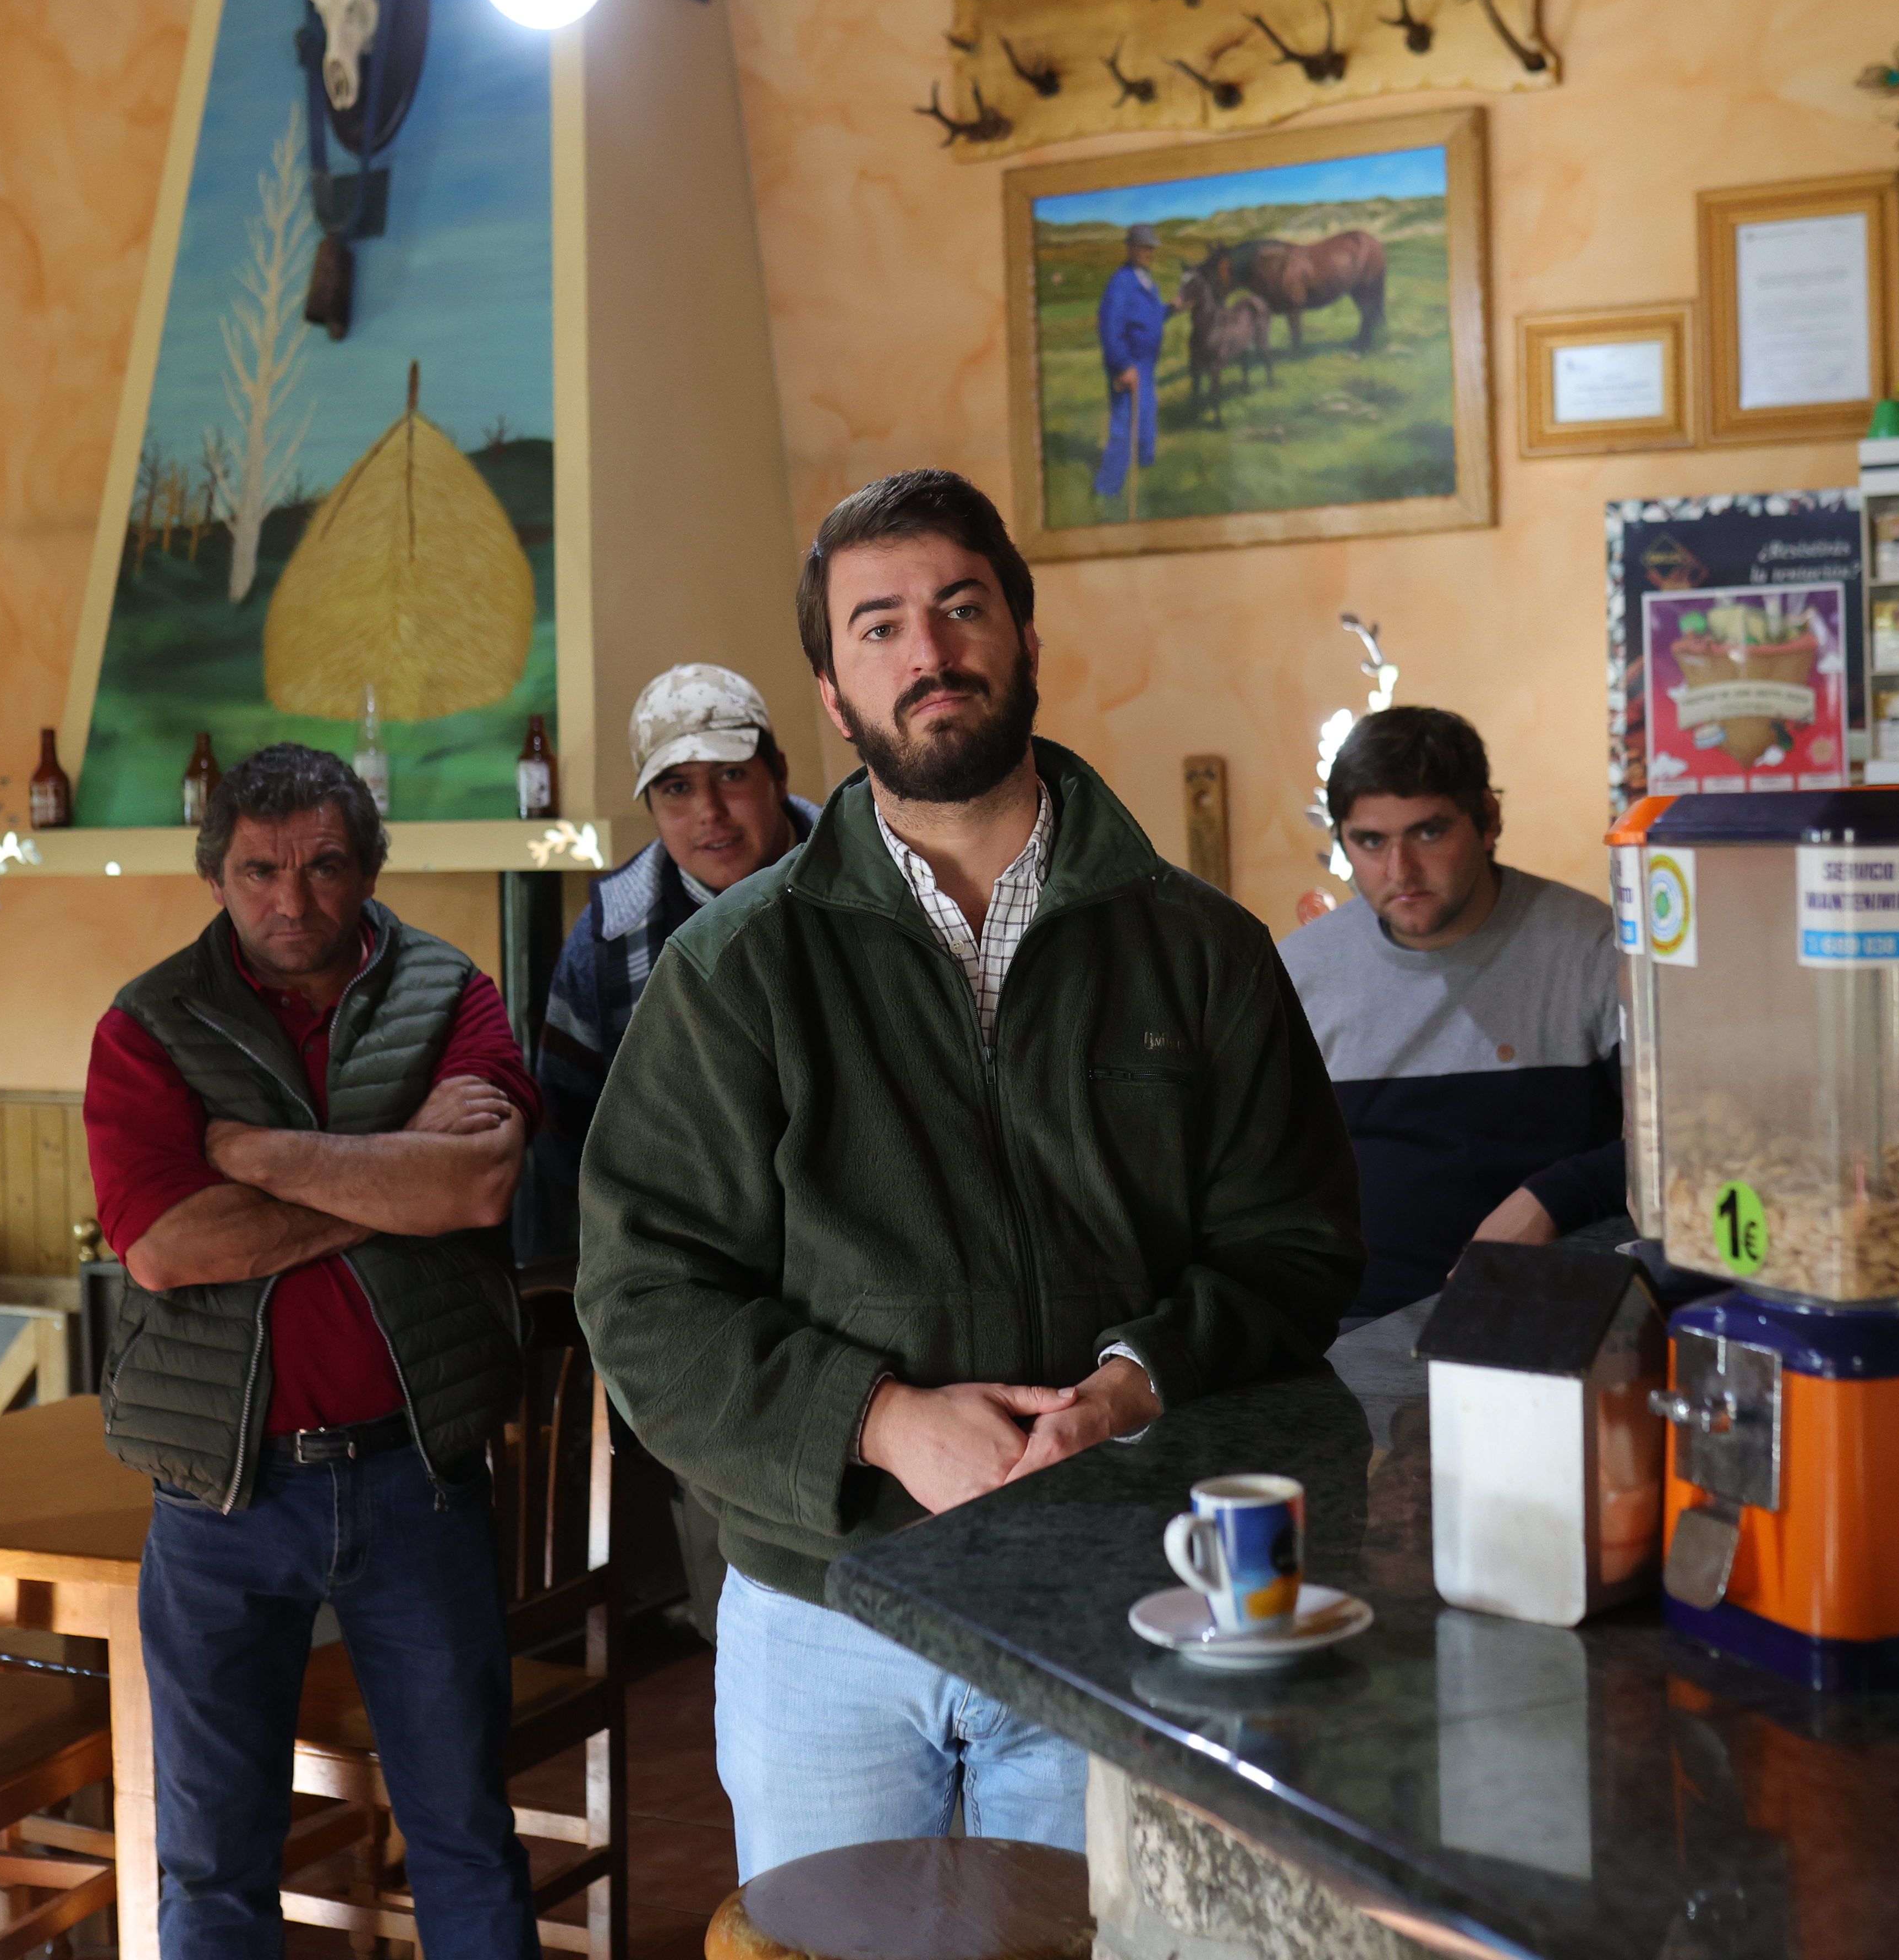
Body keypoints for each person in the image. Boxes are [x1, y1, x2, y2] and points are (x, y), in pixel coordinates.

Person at [575, 469, 1360, 1878]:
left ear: (1028, 639)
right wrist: (879, 1420)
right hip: (827, 1611)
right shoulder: (731, 973)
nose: (926, 653)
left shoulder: (1200, 948)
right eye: (877, 627)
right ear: (828, 689)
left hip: (1119, 1583)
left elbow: (1295, 1246)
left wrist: (1132, 1383)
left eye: (959, 607)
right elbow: (643, 1296)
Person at [84, 742, 540, 1960]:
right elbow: (169, 1248)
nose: (294, 899)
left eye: (327, 865)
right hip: (219, 1497)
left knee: (463, 1834)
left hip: (418, 1477)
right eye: (260, 870)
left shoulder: (453, 992)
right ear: (218, 875)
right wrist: (398, 1169)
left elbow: (483, 1180)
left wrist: (251, 1150)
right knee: (214, 1861)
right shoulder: (148, 1025)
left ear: (370, 864)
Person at [533, 662, 817, 1639]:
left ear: (777, 771)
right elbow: (569, 1130)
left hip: (859, 1275)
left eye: (732, 776)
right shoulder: (611, 931)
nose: (711, 813)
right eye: (676, 789)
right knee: (740, 1589)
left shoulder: (866, 873)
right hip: (708, 1299)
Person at [1280, 706, 1627, 1325]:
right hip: (1350, 1336)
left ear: (1489, 819)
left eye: (1429, 832)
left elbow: (1678, 1143)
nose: (1400, 871)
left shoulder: (1593, 949)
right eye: (1370, 841)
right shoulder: (1298, 971)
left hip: (1555, 1314)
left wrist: (1552, 1197)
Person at [1093, 223, 1168, 514]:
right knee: (1125, 424)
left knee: (1147, 415)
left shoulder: (1146, 280)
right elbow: (1110, 328)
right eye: (1143, 247)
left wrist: (1172, 308)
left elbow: (1152, 315)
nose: (1148, 253)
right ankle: (1107, 488)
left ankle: (1146, 465)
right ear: (1131, 248)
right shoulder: (1122, 283)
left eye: (1151, 248)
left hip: (1146, 365)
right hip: (1130, 365)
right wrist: (1124, 366)